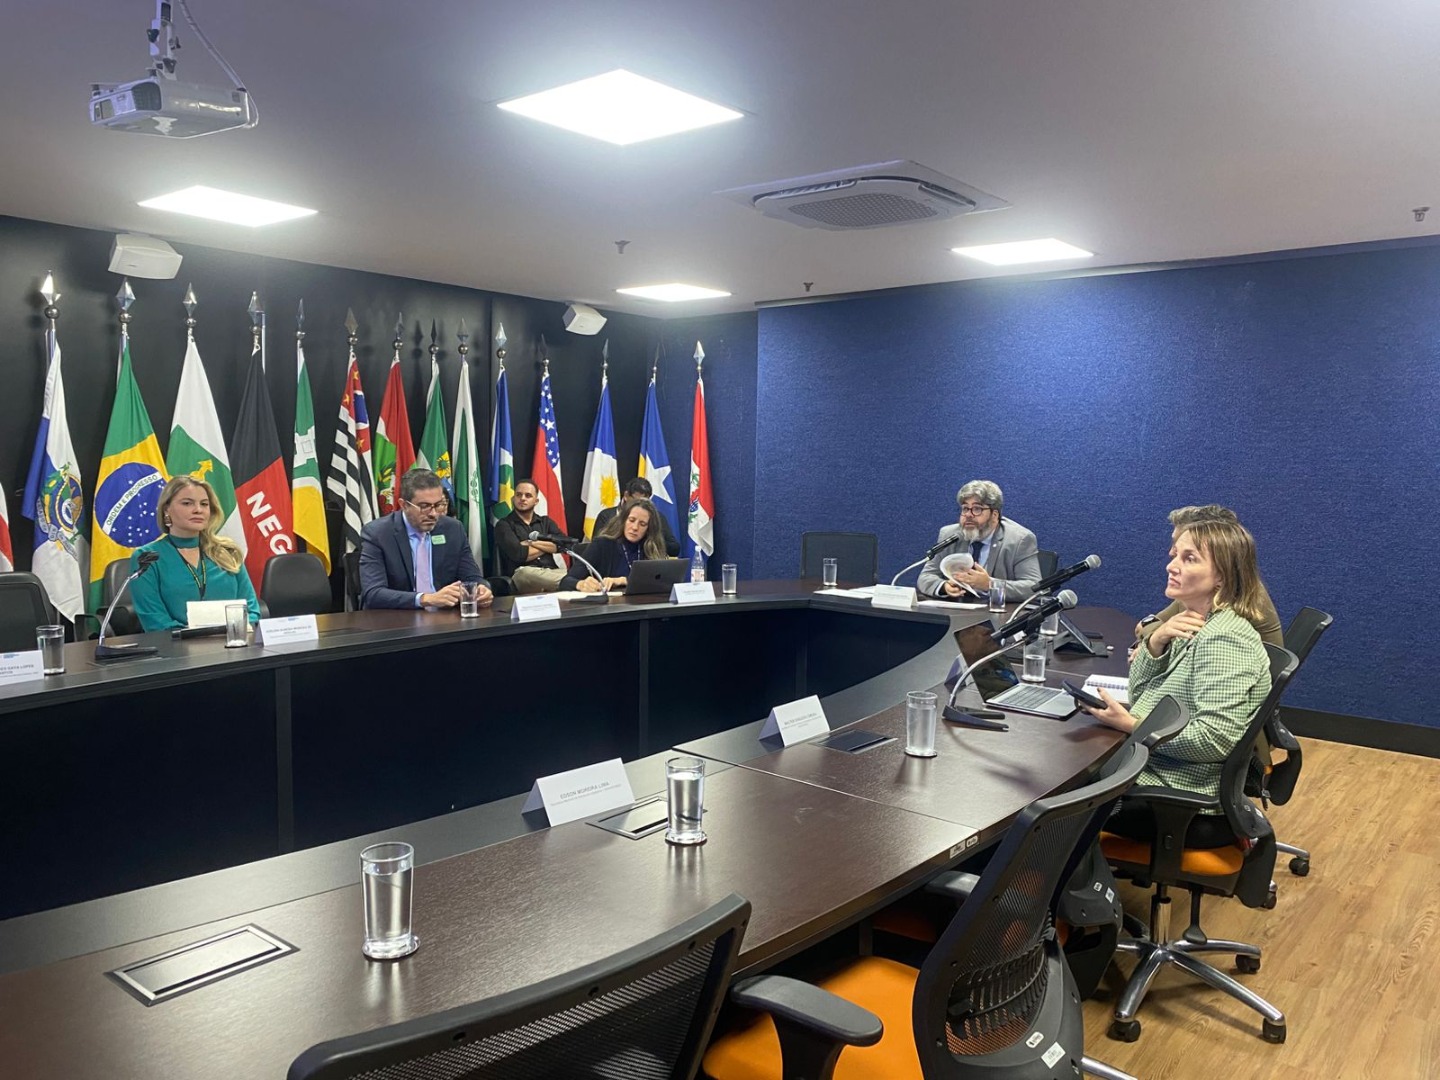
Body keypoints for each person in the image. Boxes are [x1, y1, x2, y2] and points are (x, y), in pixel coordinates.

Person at [1081, 518, 1271, 848]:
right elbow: (1142, 695)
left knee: (1048, 808)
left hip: (1178, 797)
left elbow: (1214, 740)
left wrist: (1132, 725)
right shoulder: (1195, 622)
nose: (1172, 566)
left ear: (1223, 575)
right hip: (1154, 774)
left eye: (1189, 558)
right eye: (1174, 555)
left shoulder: (1225, 639)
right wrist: (1156, 643)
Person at [1134, 504, 1283, 651]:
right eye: (1176, 545)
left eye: (1190, 556)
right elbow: (1146, 625)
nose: (1171, 553)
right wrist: (1156, 637)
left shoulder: (1229, 613)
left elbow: (1192, 650)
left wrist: (1155, 642)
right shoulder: (1201, 591)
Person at [130, 474, 262, 631]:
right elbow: (155, 621)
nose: (198, 510)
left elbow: (252, 610)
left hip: (234, 641)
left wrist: (231, 633)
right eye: (187, 503)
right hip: (177, 643)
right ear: (166, 509)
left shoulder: (228, 552)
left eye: (204, 504)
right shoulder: (147, 558)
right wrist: (195, 636)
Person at [359, 468, 493, 610]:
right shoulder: (378, 533)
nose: (433, 514)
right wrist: (425, 599)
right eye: (424, 506)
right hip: (398, 617)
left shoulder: (453, 529)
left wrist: (482, 589)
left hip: (445, 616)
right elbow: (373, 594)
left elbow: (472, 577)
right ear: (404, 505)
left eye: (439, 505)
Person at [917, 480, 1041, 602]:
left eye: (977, 509)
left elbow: (1034, 587)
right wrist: (944, 587)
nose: (968, 515)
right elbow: (925, 577)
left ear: (994, 515)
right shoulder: (950, 535)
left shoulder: (1020, 539)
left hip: (996, 611)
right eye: (965, 508)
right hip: (957, 609)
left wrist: (989, 584)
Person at [564, 498, 669, 592]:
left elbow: (663, 582)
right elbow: (566, 581)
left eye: (642, 524)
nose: (635, 527)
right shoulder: (602, 544)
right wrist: (581, 584)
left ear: (649, 529)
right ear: (623, 520)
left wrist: (623, 580)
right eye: (631, 520)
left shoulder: (651, 547)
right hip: (611, 605)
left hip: (645, 604)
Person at [494, 478, 569, 593]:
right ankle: (572, 583)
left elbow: (565, 544)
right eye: (519, 495)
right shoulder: (503, 524)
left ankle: (571, 582)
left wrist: (530, 542)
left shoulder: (545, 522)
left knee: (580, 572)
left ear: (536, 501)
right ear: (513, 498)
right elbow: (519, 554)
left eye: (528, 495)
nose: (522, 498)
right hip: (523, 574)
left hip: (551, 572)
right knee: (525, 573)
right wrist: (551, 546)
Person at [592, 478, 681, 556]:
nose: (640, 505)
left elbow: (674, 549)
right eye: (636, 500)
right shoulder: (607, 515)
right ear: (626, 496)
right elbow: (597, 548)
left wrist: (651, 538)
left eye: (645, 501)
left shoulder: (656, 517)